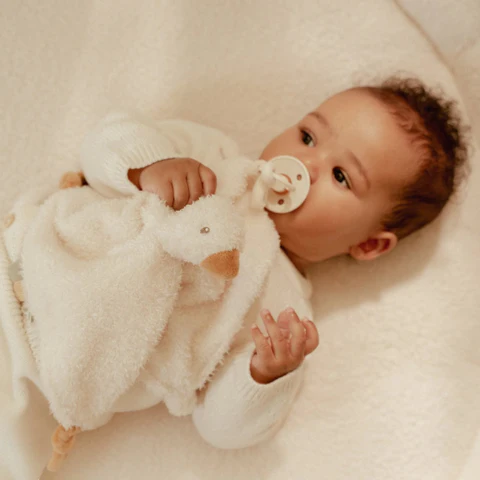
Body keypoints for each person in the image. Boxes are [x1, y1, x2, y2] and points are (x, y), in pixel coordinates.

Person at [4, 77, 469, 453]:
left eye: (341, 176)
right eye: (308, 136)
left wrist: (263, 377)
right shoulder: (209, 156)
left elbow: (221, 429)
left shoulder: (282, 320)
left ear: (367, 244)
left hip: (42, 385)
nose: (305, 164)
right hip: (23, 268)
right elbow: (105, 140)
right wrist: (148, 166)